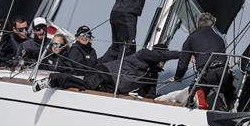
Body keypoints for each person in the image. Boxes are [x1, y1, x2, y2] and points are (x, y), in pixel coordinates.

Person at [36, 43, 180, 98]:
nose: (163, 63)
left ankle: (58, 81)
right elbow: (161, 55)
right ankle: (53, 79)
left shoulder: (153, 74)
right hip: (106, 72)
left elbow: (147, 94)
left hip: (114, 87)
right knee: (88, 84)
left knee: (92, 93)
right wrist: (184, 54)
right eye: (162, 59)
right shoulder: (144, 54)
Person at [173, 12, 233, 109]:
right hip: (224, 71)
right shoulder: (219, 38)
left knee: (194, 88)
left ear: (198, 24)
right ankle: (231, 108)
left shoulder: (191, 38)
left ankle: (199, 99)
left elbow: (182, 64)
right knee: (229, 89)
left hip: (207, 73)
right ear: (212, 24)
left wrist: (177, 78)